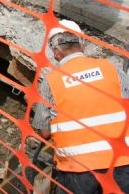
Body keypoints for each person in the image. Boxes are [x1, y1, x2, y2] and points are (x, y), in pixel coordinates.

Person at [32, 19, 129, 193]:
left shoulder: (51, 81)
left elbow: (44, 132)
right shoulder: (111, 69)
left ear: (56, 52)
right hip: (121, 162)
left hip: (77, 170)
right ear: (82, 44)